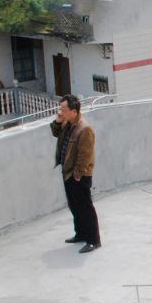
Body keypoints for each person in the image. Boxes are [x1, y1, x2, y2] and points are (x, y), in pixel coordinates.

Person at [51, 94, 101, 253]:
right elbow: (55, 132)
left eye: (64, 110)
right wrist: (58, 120)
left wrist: (77, 175)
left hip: (78, 175)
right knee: (74, 206)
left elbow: (85, 155)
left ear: (74, 111)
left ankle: (93, 240)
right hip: (68, 173)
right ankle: (80, 233)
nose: (61, 112)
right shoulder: (68, 123)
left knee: (85, 208)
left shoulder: (84, 129)